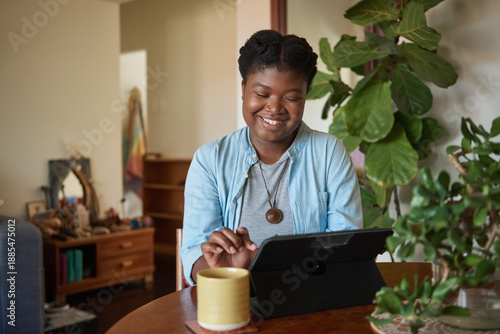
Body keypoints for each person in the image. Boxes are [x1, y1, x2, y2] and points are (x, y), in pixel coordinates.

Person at [180, 30, 362, 286]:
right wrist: (222, 270)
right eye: (263, 94)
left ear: (306, 96)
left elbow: (345, 245)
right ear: (244, 89)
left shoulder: (330, 153)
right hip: (234, 298)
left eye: (291, 98)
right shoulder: (210, 160)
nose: (275, 108)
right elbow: (193, 250)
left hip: (312, 299)